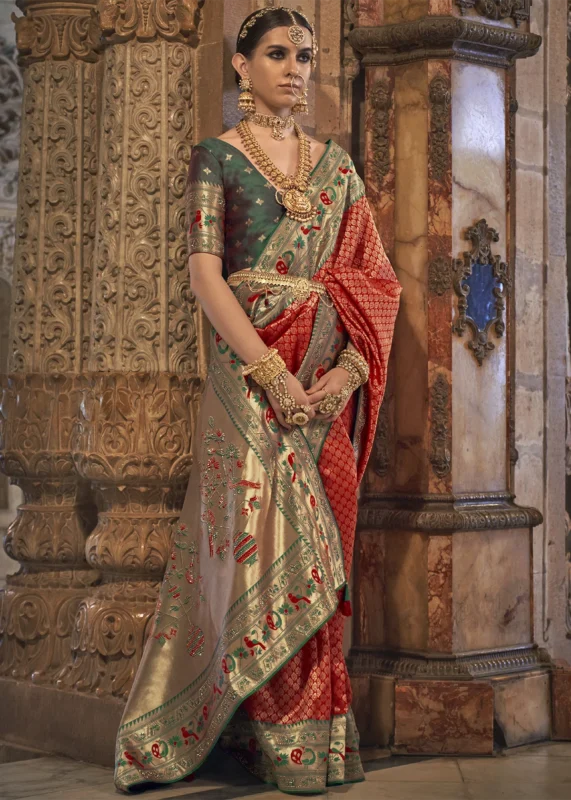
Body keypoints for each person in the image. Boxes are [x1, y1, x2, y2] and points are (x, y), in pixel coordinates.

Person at [114, 7, 401, 795]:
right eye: (276, 53)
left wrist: (342, 378)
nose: (294, 68)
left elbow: (370, 284)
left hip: (324, 389)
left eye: (305, 55)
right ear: (240, 65)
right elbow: (205, 276)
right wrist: (270, 375)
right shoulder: (217, 158)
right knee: (261, 549)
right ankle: (263, 736)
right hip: (252, 383)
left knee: (323, 549)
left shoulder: (335, 168)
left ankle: (315, 738)